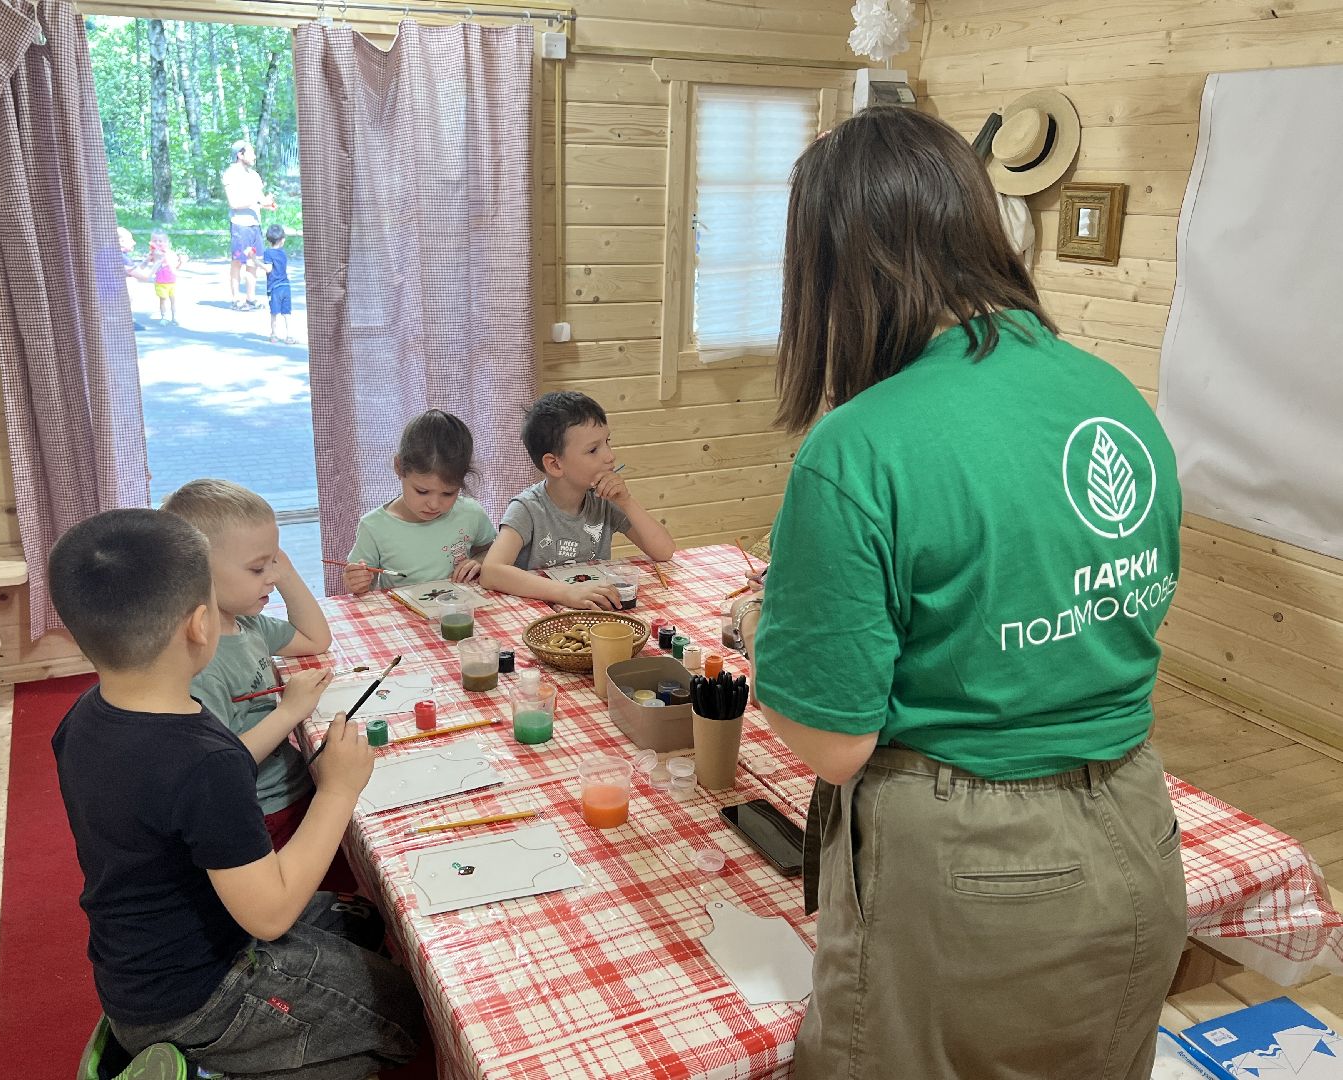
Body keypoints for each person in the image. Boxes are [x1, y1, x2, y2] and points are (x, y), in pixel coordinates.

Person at [731, 107, 1186, 1079]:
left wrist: (766, 626)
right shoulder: (1110, 394)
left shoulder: (859, 445)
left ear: (832, 268)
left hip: (971, 867)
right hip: (1137, 822)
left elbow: (834, 742)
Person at [49, 508, 423, 1078]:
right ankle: (207, 1067)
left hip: (142, 968)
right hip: (199, 995)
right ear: (200, 625)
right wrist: (337, 791)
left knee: (363, 923)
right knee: (405, 1016)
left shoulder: (81, 717)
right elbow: (270, 914)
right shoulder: (205, 761)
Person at [160, 479, 355, 894]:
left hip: (294, 786)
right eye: (257, 568)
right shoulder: (201, 665)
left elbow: (316, 638)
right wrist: (290, 711)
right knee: (323, 892)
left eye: (274, 561)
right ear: (197, 574)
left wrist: (284, 572)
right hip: (263, 813)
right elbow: (222, 766)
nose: (272, 576)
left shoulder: (244, 624)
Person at [479, 390, 676, 609]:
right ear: (555, 464)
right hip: (539, 614)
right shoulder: (527, 508)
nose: (610, 456)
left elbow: (664, 551)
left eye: (607, 442)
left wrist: (627, 501)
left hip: (592, 610)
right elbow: (491, 572)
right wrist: (567, 593)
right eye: (593, 450)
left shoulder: (604, 500)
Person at [343, 410, 497, 594]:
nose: (434, 504)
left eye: (448, 493)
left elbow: (492, 551)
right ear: (399, 467)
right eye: (422, 491)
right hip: (401, 612)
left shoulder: (471, 513)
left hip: (461, 608)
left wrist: (478, 561)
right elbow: (362, 587)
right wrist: (357, 582)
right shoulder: (374, 527)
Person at [221, 140, 275, 311]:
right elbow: (234, 203)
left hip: (255, 225)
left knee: (254, 261)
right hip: (240, 225)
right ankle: (236, 299)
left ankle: (251, 298)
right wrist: (258, 201)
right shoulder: (230, 174)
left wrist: (267, 204)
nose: (254, 157)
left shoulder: (254, 176)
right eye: (250, 153)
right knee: (238, 261)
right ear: (240, 154)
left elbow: (259, 199)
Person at [261, 223, 294, 344]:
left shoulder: (268, 253)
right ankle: (289, 336)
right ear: (282, 240)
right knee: (287, 313)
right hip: (286, 286)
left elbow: (268, 269)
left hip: (274, 288)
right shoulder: (283, 253)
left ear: (269, 240)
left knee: (274, 313)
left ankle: (274, 335)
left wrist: (256, 262)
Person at [145, 230, 181, 324]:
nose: (158, 243)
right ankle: (164, 317)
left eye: (160, 241)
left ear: (166, 242)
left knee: (173, 300)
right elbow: (148, 263)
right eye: (155, 241)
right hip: (160, 282)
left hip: (172, 281)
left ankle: (174, 317)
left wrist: (181, 262)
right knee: (163, 300)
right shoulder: (153, 254)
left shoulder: (171, 253)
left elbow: (176, 267)